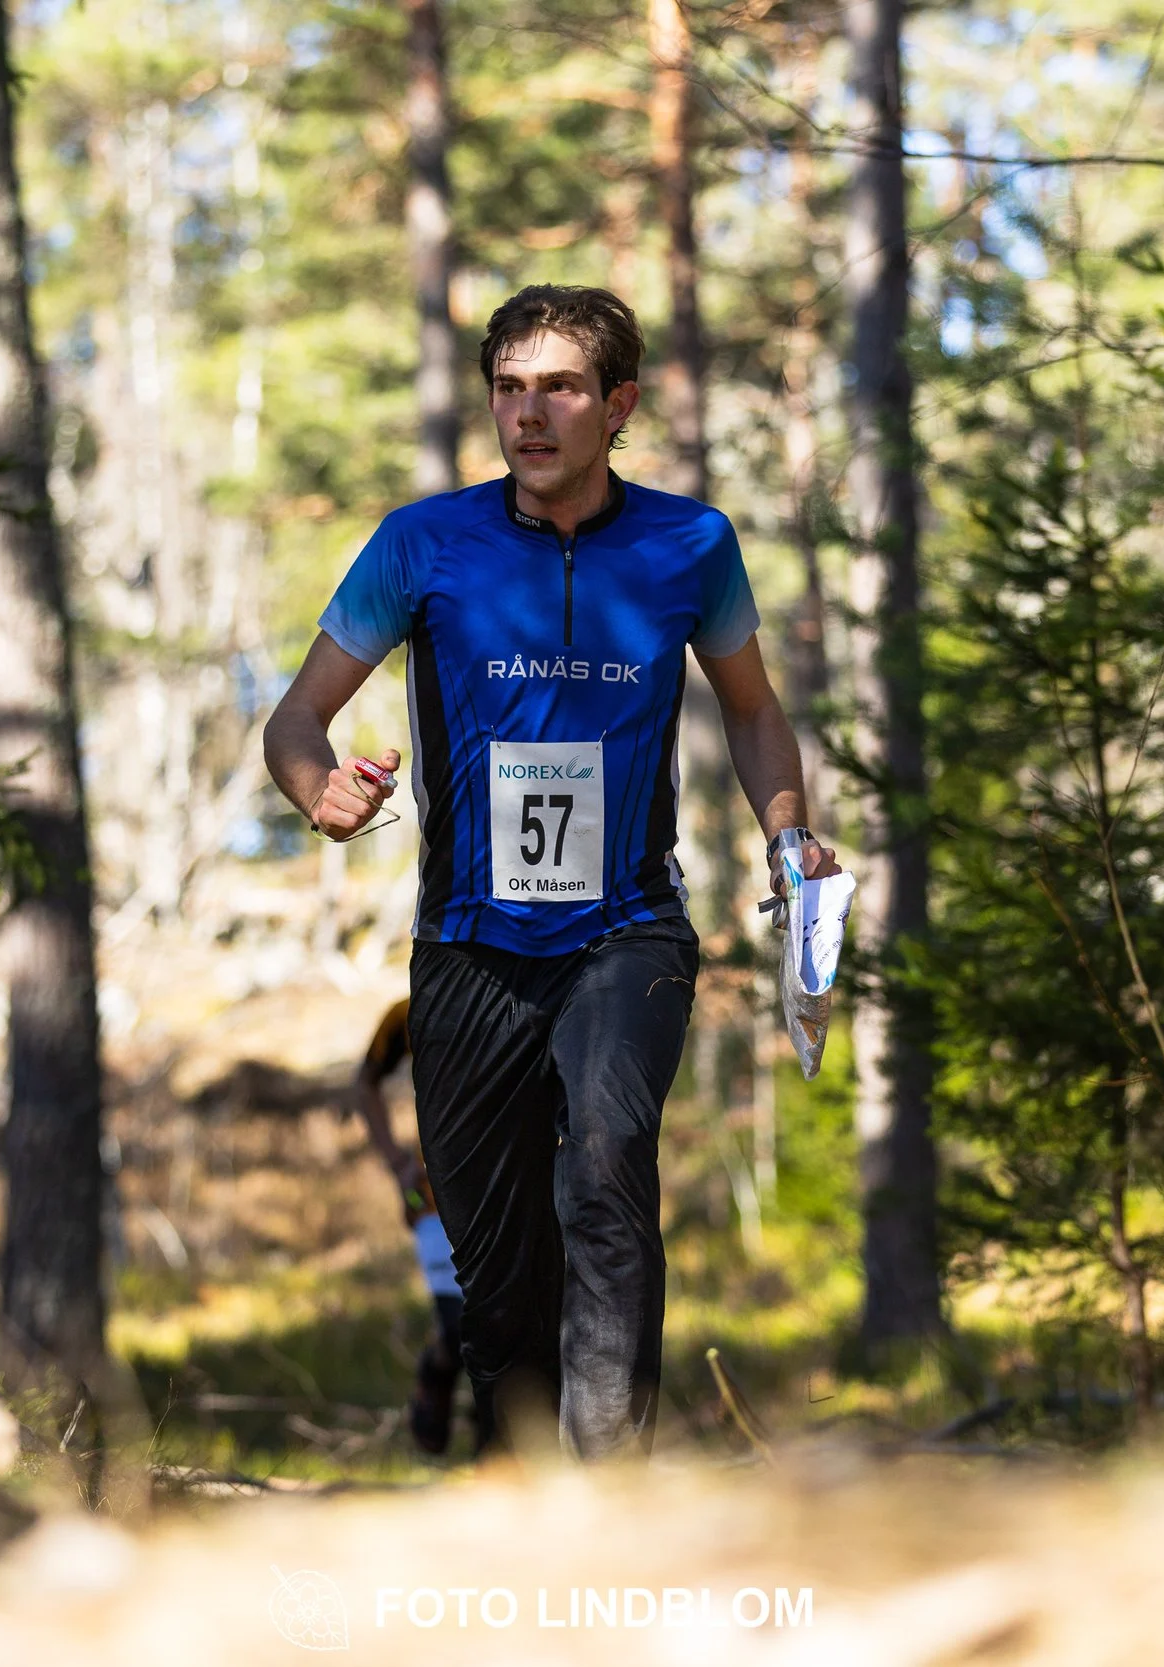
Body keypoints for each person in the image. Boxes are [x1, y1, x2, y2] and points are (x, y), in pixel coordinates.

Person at [263, 284, 836, 1460]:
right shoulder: (422, 543)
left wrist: (789, 831)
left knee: (610, 1169)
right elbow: (295, 718)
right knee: (497, 1265)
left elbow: (753, 712)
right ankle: (527, 1483)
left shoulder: (690, 543)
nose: (529, 413)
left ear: (616, 405)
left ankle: (606, 1481)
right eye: (509, 388)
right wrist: (316, 788)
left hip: (627, 929)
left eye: (560, 388)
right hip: (469, 947)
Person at [352, 997, 466, 1455]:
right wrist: (398, 1164)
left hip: (510, 1186)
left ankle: (499, 1449)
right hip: (431, 1193)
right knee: (460, 1329)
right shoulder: (408, 1010)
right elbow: (365, 1085)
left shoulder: (527, 982)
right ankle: (434, 1378)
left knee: (509, 1324)